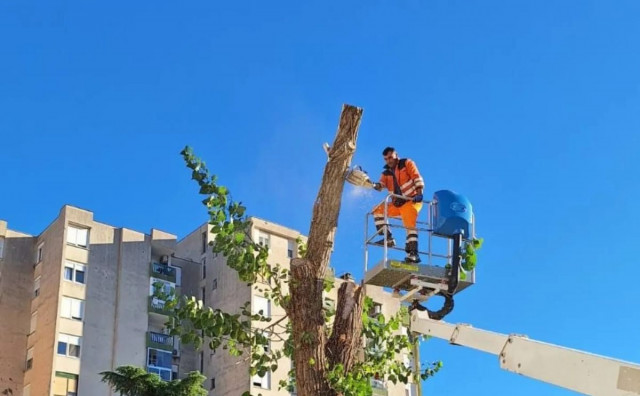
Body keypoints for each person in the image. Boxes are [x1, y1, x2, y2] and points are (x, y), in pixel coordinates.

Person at [372, 147, 425, 263]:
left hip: (412, 200)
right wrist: (375, 185)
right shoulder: (386, 173)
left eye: (390, 157)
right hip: (397, 204)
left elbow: (417, 177)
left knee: (409, 223)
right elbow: (381, 184)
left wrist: (420, 193)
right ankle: (388, 238)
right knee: (377, 210)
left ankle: (413, 254)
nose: (389, 161)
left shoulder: (406, 163)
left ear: (396, 155)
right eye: (386, 159)